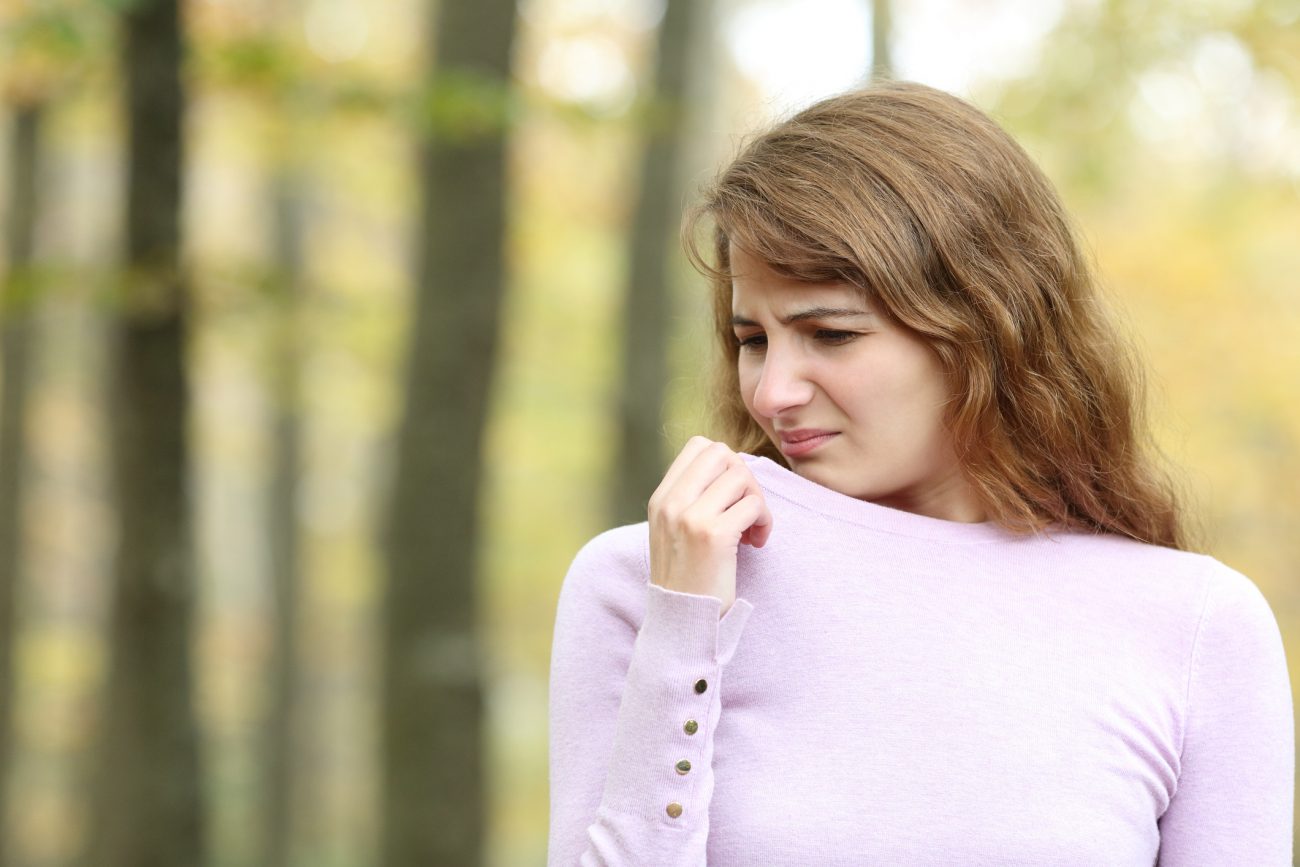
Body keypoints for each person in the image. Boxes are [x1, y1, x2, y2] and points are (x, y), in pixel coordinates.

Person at [546, 80, 1294, 865]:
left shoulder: (1196, 625)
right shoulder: (644, 585)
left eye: (829, 334)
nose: (771, 393)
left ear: (987, 323)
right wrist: (685, 629)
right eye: (752, 339)